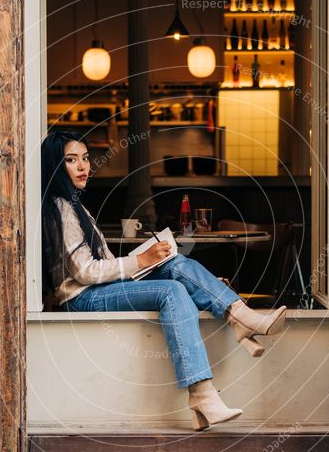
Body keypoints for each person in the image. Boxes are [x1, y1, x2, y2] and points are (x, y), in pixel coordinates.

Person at [40, 130, 287, 431]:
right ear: (56, 166)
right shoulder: (61, 207)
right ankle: (211, 373)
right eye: (71, 160)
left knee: (176, 263)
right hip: (83, 297)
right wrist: (140, 261)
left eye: (86, 159)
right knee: (172, 290)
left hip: (97, 289)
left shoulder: (74, 204)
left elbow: (98, 265)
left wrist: (152, 263)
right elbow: (85, 271)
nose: (83, 167)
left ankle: (232, 328)